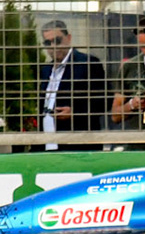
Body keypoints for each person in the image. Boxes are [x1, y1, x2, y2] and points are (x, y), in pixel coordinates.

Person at [38, 19, 105, 147]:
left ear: (68, 38)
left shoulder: (87, 63)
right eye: (48, 43)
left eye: (57, 40)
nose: (53, 46)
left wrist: (75, 112)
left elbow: (103, 101)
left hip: (78, 143)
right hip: (48, 143)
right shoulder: (46, 70)